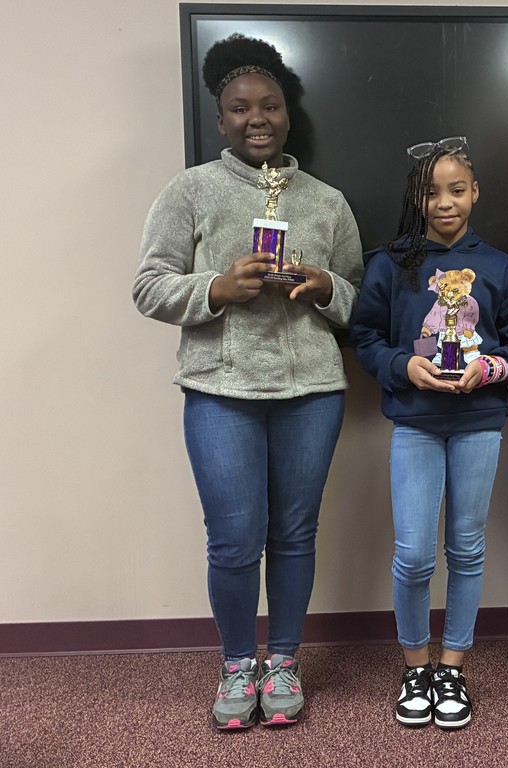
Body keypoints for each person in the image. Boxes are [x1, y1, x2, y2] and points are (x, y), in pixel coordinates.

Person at [132, 34, 363, 730]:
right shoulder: (190, 190)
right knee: (233, 540)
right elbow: (148, 287)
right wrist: (218, 288)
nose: (255, 118)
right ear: (220, 116)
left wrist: (325, 287)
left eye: (269, 105)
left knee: (295, 534)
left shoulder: (327, 201)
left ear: (289, 112)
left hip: (312, 393)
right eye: (239, 108)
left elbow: (360, 295)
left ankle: (283, 659)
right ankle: (238, 663)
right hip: (220, 391)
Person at [351, 138, 508, 730]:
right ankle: (416, 666)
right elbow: (367, 338)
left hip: (479, 422)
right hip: (416, 423)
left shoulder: (500, 267)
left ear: (475, 192)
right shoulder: (390, 263)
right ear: (416, 197)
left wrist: (493, 368)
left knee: (467, 548)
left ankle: (452, 665)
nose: (445, 203)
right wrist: (403, 366)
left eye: (457, 190)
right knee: (412, 554)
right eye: (431, 192)